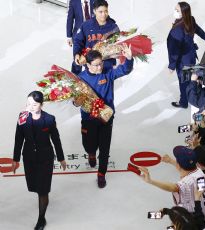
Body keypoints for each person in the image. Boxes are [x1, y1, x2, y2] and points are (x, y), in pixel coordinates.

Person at [74, 44, 133, 188]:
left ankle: (101, 174)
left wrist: (129, 59)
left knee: (105, 148)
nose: (99, 67)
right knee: (88, 144)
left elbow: (125, 70)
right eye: (95, 65)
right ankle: (91, 153)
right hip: (89, 119)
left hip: (107, 117)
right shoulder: (80, 78)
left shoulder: (107, 72)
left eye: (101, 63)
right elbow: (75, 101)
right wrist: (77, 102)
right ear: (87, 65)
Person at [11, 91, 67, 230]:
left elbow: (56, 140)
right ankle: (42, 198)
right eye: (28, 103)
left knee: (43, 190)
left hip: (45, 159)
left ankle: (41, 219)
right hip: (29, 158)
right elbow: (19, 138)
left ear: (42, 105)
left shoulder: (49, 119)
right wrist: (15, 159)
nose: (30, 106)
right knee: (34, 186)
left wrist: (61, 158)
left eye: (34, 104)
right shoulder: (22, 117)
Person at [138, 146, 205, 227]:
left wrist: (150, 181)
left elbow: (174, 187)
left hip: (196, 225)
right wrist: (171, 161)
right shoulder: (199, 172)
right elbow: (186, 171)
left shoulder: (186, 184)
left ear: (179, 165)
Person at [167, 1, 205, 109]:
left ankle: (184, 102)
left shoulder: (177, 30)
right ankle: (189, 98)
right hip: (191, 57)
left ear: (183, 13)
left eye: (177, 10)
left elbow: (174, 51)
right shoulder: (190, 19)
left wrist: (171, 66)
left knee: (183, 82)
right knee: (190, 78)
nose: (175, 12)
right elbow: (199, 31)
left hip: (182, 62)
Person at [73, 0, 119, 73]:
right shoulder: (86, 25)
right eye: (100, 12)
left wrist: (117, 53)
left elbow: (117, 44)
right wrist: (76, 54)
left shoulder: (113, 27)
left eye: (106, 11)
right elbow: (78, 41)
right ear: (94, 11)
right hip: (90, 65)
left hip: (106, 66)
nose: (104, 14)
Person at [66, 0, 94, 74]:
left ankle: (89, 77)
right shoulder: (74, 2)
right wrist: (69, 36)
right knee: (77, 59)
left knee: (90, 58)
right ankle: (75, 77)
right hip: (78, 36)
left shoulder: (95, 1)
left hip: (92, 35)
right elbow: (70, 19)